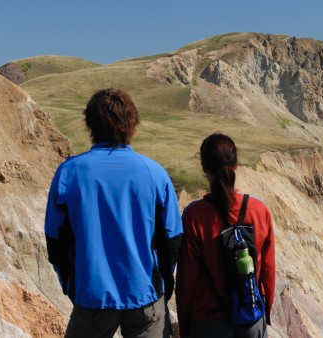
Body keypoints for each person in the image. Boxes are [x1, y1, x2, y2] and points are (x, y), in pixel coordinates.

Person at [44, 88, 183, 338]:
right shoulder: (155, 173)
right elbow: (172, 241)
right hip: (145, 296)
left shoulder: (69, 173)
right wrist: (163, 286)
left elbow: (55, 241)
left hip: (91, 296)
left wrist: (72, 286)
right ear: (132, 124)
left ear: (90, 124)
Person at [176, 133, 275, 338]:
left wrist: (185, 327)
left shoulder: (194, 215)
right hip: (251, 318)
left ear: (204, 168)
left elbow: (187, 280)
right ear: (236, 165)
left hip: (208, 323)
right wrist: (265, 313)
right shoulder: (258, 210)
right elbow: (268, 271)